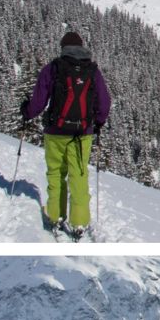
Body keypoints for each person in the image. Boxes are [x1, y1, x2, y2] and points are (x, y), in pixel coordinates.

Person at [21, 31, 111, 238]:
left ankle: (55, 216)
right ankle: (79, 223)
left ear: (63, 48)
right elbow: (105, 102)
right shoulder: (92, 71)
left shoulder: (53, 68)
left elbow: (38, 102)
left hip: (55, 131)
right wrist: (98, 123)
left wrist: (26, 112)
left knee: (56, 173)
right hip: (82, 134)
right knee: (79, 175)